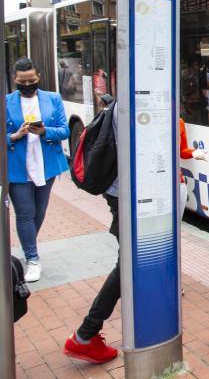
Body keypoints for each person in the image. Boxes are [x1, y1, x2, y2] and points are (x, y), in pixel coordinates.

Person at [63, 98, 120, 364]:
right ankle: (85, 335)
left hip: (119, 193)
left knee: (131, 264)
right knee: (129, 265)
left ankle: (86, 335)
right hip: (128, 196)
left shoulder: (125, 100)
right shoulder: (134, 103)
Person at [6, 58, 70, 282]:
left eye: (31, 80)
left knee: (39, 212)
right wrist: (15, 136)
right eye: (22, 81)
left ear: (38, 78)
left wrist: (44, 131)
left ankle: (28, 245)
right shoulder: (6, 102)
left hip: (47, 166)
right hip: (18, 167)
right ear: (15, 79)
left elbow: (64, 131)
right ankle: (32, 258)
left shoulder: (53, 98)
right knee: (25, 213)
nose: (27, 84)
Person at [179, 117, 208, 220]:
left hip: (178, 182)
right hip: (157, 184)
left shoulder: (179, 122)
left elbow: (182, 151)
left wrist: (193, 153)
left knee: (176, 225)